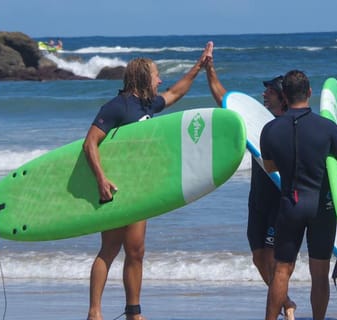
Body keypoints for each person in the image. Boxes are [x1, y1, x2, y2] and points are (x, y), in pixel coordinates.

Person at [83, 41, 214, 320]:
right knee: (109, 249)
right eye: (156, 75)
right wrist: (101, 180)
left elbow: (175, 92)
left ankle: (133, 312)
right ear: (144, 77)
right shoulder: (117, 107)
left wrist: (199, 66)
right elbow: (90, 143)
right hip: (115, 189)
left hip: (139, 189)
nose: (160, 80)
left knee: (136, 251)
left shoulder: (147, 104)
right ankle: (94, 312)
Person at [260, 70, 337, 320]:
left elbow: (270, 167)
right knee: (319, 273)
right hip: (321, 208)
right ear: (309, 92)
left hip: (290, 205)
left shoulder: (269, 130)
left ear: (285, 96)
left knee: (282, 270)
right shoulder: (327, 128)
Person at [204, 58, 296, 319]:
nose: (264, 94)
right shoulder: (258, 122)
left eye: (270, 91)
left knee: (275, 259)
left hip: (279, 202)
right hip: (257, 199)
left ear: (282, 97)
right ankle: (286, 301)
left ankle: (282, 308)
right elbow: (225, 101)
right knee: (258, 257)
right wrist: (210, 70)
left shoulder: (291, 126)